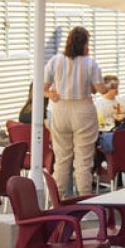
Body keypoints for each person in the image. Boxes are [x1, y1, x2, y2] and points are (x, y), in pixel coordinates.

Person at [44, 26, 108, 198]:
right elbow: (100, 89)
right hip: (83, 110)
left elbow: (43, 88)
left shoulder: (55, 61)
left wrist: (50, 93)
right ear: (85, 44)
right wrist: (109, 85)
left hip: (60, 109)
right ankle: (85, 200)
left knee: (62, 159)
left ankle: (57, 200)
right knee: (83, 161)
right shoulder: (90, 63)